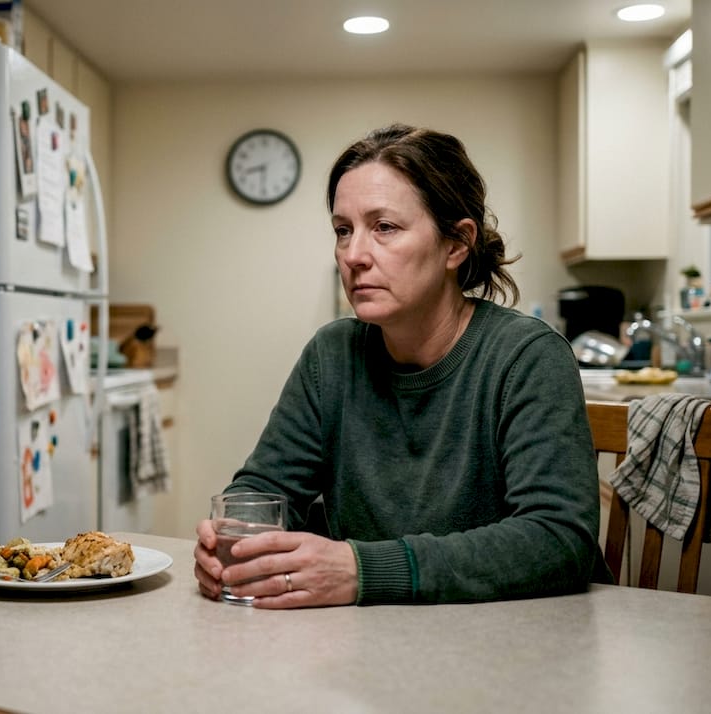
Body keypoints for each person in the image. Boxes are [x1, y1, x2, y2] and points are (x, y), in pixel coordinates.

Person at [193, 124, 606, 608]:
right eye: (343, 230)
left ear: (456, 244)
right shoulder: (332, 355)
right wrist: (234, 542)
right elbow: (264, 488)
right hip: (373, 645)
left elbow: (558, 540)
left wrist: (362, 570)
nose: (353, 255)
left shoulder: (527, 356)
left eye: (384, 227)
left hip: (520, 645)